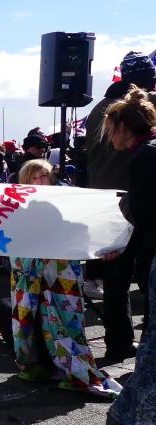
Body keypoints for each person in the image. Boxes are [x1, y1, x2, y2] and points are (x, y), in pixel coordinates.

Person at [9, 160, 121, 399]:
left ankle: (72, 368)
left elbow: (85, 229)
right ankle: (33, 365)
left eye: (44, 176)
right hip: (27, 273)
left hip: (61, 273)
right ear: (25, 180)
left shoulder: (66, 203)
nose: (40, 181)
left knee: (66, 320)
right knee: (28, 319)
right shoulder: (17, 205)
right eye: (34, 177)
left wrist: (108, 244)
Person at [86, 52, 156, 362]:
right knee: (147, 278)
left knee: (116, 278)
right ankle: (147, 352)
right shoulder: (141, 107)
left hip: (108, 201)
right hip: (138, 201)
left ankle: (118, 343)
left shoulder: (97, 110)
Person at [106, 84, 156, 423]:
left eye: (109, 129)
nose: (108, 137)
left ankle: (133, 414)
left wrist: (120, 239)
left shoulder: (146, 156)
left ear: (123, 127)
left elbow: (146, 214)